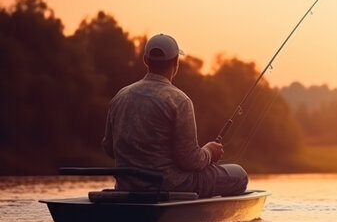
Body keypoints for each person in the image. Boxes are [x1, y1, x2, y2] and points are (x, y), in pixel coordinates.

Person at [102, 33, 248, 197]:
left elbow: (109, 148)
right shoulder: (179, 101)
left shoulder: (120, 96)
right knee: (239, 174)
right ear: (175, 62)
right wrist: (209, 152)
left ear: (145, 60)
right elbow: (189, 161)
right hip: (174, 185)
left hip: (127, 185)